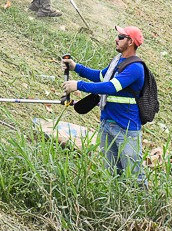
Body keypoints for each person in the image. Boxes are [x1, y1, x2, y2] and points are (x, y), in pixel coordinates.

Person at [62, 26, 147, 183]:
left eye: (120, 37)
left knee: (135, 176)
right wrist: (76, 67)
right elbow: (101, 76)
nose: (116, 39)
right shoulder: (117, 61)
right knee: (112, 173)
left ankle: (142, 205)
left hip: (126, 129)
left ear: (130, 42)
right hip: (107, 124)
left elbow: (111, 87)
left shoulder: (136, 68)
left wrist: (79, 85)